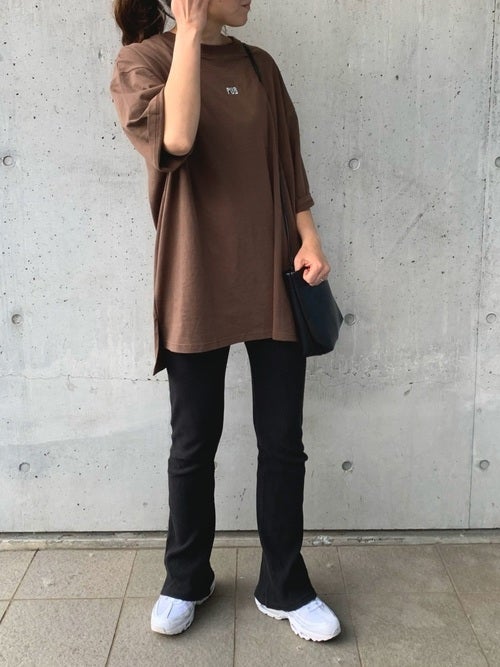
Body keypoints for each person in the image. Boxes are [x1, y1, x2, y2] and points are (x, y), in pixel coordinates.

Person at [110, 0, 341, 643]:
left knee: (283, 441)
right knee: (193, 443)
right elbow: (176, 139)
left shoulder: (261, 66)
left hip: (274, 272)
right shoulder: (141, 61)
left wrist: (310, 237)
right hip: (195, 274)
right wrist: (187, 31)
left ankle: (285, 586)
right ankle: (185, 578)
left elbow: (289, 163)